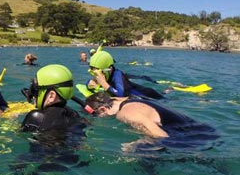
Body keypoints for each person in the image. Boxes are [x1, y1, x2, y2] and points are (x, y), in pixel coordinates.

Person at [85, 91, 217, 142]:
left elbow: (161, 136)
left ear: (102, 109)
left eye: (98, 115)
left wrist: (138, 144)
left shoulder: (125, 113)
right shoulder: (130, 99)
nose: (99, 118)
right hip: (203, 129)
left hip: (194, 138)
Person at [20, 64, 82, 132]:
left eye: (35, 90)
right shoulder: (74, 114)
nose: (32, 95)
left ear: (51, 96)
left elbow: (18, 136)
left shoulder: (37, 117)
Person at [86, 50, 164, 99]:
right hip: (135, 91)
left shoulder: (117, 75)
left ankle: (168, 90)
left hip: (146, 94)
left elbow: (120, 94)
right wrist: (89, 84)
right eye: (93, 73)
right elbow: (91, 82)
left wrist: (104, 84)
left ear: (109, 69)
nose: (97, 76)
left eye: (99, 73)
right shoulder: (103, 73)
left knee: (165, 99)